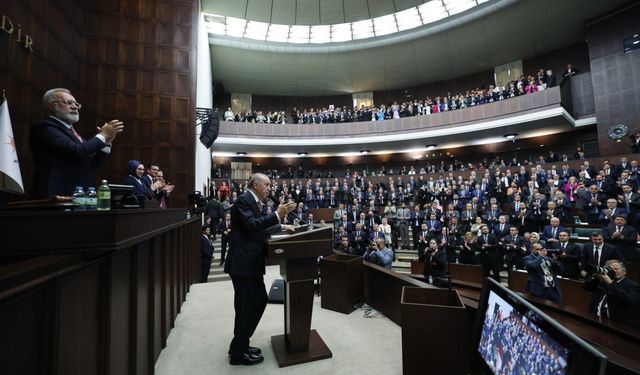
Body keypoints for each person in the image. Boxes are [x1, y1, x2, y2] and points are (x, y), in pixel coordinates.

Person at [224, 173, 296, 366]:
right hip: (243, 265)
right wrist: (276, 215)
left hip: (250, 263)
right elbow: (251, 226)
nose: (269, 189)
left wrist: (281, 225)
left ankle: (239, 345)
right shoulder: (243, 200)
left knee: (258, 302)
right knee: (246, 308)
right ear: (255, 185)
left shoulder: (252, 201)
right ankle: (238, 355)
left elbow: (258, 229)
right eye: (266, 185)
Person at [29, 88, 124, 198]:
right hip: (56, 195)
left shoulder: (74, 134)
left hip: (79, 195)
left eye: (76, 104)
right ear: (52, 106)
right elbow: (77, 151)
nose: (74, 107)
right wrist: (102, 135)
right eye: (68, 103)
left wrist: (106, 143)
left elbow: (95, 163)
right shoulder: (44, 127)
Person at [587, 260, 640, 328]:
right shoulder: (603, 282)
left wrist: (610, 283)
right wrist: (595, 277)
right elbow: (587, 288)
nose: (614, 271)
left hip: (618, 326)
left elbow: (630, 299)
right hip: (596, 320)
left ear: (624, 272)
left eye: (616, 269)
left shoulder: (633, 285)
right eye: (611, 269)